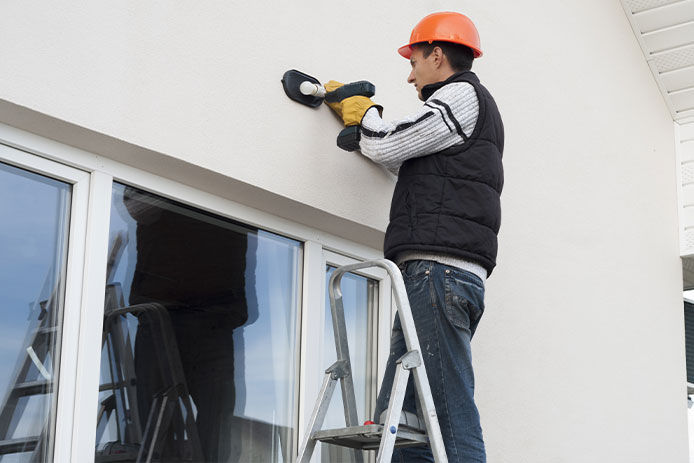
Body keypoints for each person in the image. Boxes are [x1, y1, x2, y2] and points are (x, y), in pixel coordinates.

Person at [324, 11, 504, 462]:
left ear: (438, 54)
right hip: (432, 277)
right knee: (406, 425)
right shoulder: (460, 113)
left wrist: (366, 114)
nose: (410, 75)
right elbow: (397, 153)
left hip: (437, 274)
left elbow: (390, 144)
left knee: (450, 418)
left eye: (414, 61)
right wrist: (364, 126)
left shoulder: (462, 95)